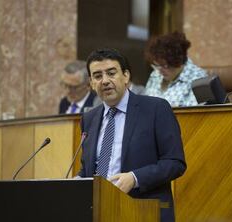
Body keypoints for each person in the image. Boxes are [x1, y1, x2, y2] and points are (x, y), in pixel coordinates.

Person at [78, 48, 186, 222]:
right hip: (100, 211)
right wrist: (76, 181)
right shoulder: (89, 118)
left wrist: (135, 178)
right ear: (91, 83)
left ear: (126, 76)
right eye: (97, 76)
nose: (105, 81)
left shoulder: (156, 109)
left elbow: (175, 162)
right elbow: (88, 169)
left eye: (111, 73)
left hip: (143, 210)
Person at [144, 31, 207, 107]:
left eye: (165, 66)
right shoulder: (155, 74)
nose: (160, 70)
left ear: (178, 61)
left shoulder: (198, 78)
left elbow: (194, 115)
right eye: (156, 65)